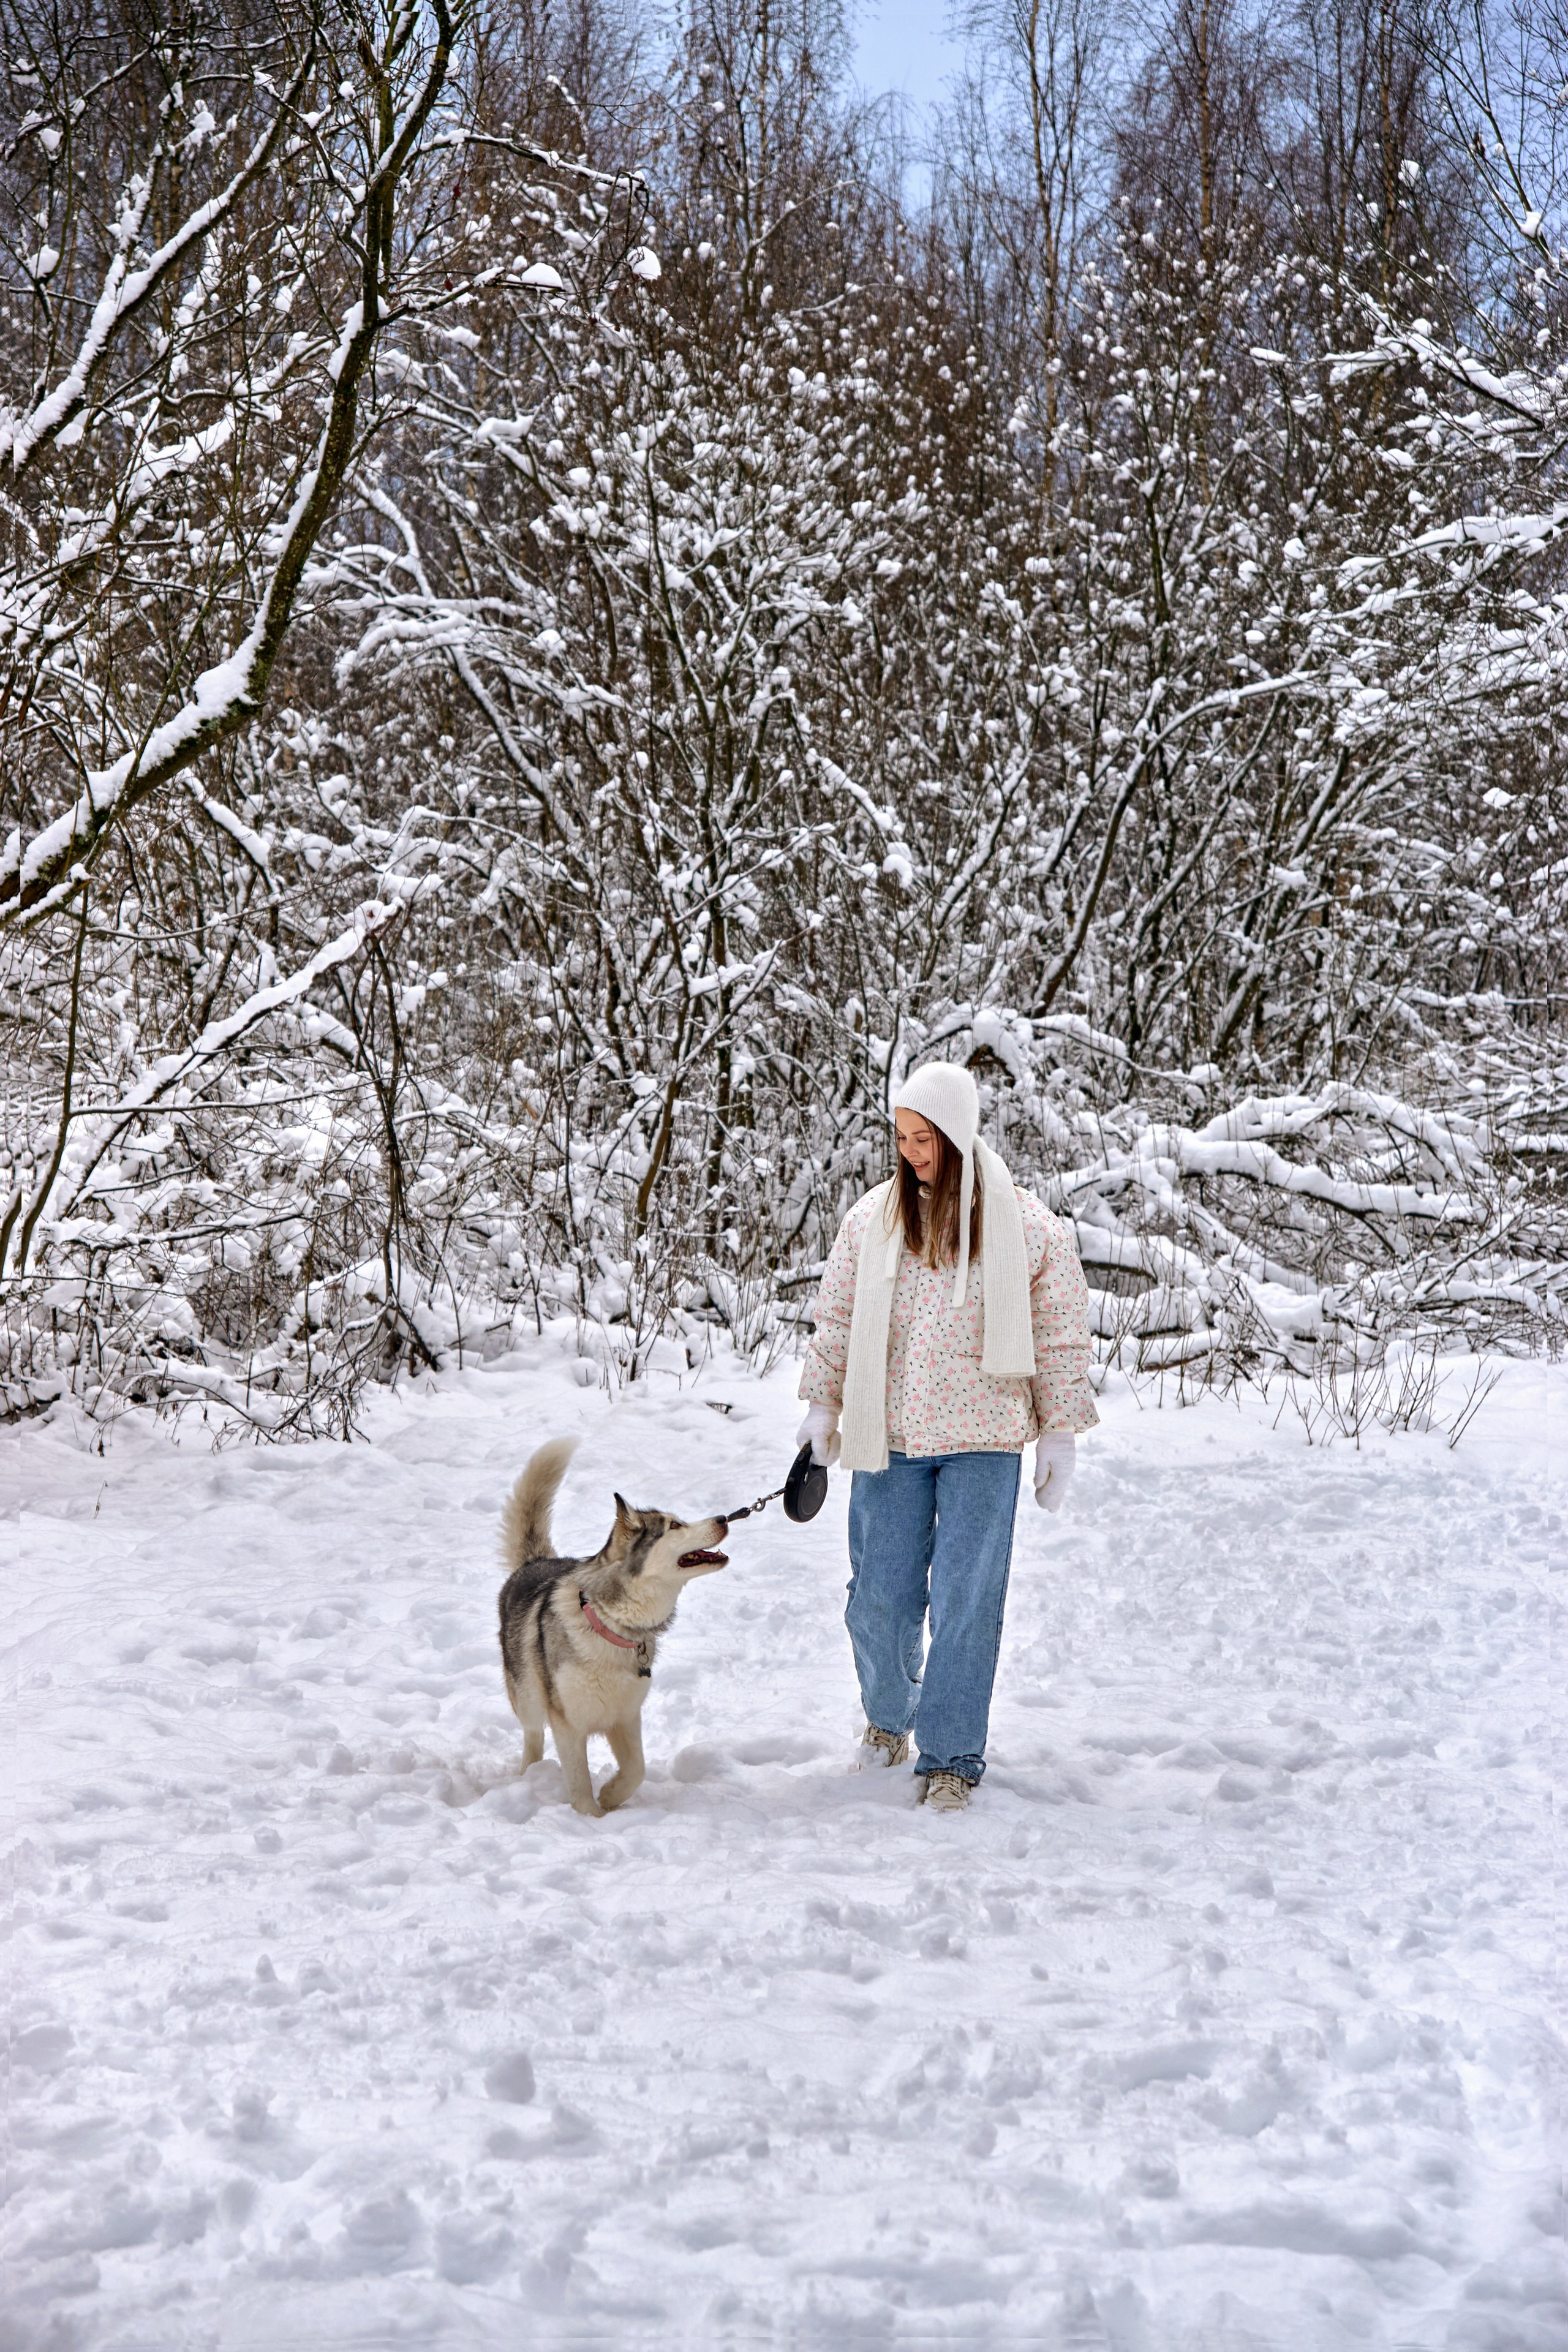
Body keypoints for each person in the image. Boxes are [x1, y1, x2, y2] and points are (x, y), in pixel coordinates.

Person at [796, 1060, 1097, 1812]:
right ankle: (889, 1718)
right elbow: (836, 1324)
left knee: (967, 1600)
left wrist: (1058, 1432)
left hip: (985, 1441)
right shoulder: (872, 1222)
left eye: (925, 1138)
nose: (911, 1152)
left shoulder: (1026, 1226)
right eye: (901, 1137)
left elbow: (1059, 1335)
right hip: (888, 1437)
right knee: (880, 1601)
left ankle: (953, 1756)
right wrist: (821, 1410)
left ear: (958, 1136)